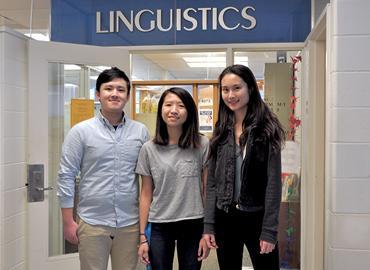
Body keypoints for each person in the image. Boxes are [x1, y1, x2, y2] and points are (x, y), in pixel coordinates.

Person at [57, 67, 149, 270]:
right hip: (92, 222)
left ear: (127, 96)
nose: (115, 93)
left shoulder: (140, 132)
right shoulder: (80, 132)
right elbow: (66, 176)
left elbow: (149, 178)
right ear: (98, 94)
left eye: (120, 89)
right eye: (108, 88)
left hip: (130, 223)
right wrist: (68, 222)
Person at [203, 64, 285, 270]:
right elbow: (212, 182)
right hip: (225, 217)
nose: (230, 95)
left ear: (250, 88)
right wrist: (209, 225)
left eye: (236, 88)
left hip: (257, 217)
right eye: (225, 89)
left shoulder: (267, 129)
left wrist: (269, 230)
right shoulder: (221, 129)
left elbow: (273, 185)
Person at [135, 87, 210, 270]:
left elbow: (206, 189)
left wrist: (207, 232)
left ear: (190, 112)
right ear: (161, 109)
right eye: (168, 104)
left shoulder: (201, 144)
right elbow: (146, 194)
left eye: (180, 105)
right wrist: (142, 237)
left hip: (193, 222)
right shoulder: (148, 149)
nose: (174, 110)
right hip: (160, 224)